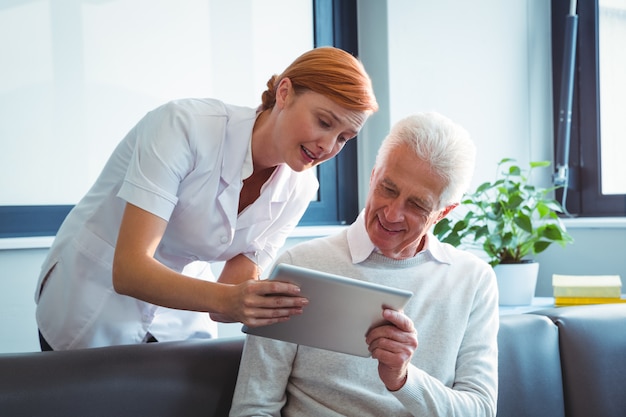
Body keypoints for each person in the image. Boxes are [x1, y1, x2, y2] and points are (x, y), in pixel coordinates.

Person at [34, 46, 378, 351]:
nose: (327, 146)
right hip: (92, 295)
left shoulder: (300, 187)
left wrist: (285, 306)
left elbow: (227, 300)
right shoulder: (183, 126)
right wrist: (232, 300)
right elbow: (129, 271)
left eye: (344, 138)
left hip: (178, 314)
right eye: (323, 121)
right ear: (285, 93)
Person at [229, 113, 499, 416]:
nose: (393, 214)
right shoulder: (300, 266)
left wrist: (403, 378)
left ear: (443, 213)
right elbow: (252, 408)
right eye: (388, 188)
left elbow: (480, 410)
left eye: (417, 205)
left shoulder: (473, 280)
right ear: (373, 176)